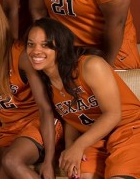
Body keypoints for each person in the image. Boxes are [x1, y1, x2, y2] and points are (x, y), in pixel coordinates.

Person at [25, 17, 140, 179]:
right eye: (31, 44)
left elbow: (113, 114)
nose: (36, 51)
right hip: (94, 137)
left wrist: (78, 146)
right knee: (81, 175)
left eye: (46, 45)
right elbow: (72, 120)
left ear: (61, 47)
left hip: (129, 129)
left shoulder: (90, 65)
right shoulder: (44, 81)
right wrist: (71, 149)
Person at [0, 0, 60, 178]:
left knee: (11, 161)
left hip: (38, 124)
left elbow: (46, 109)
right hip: (8, 129)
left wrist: (49, 161)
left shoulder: (20, 55)